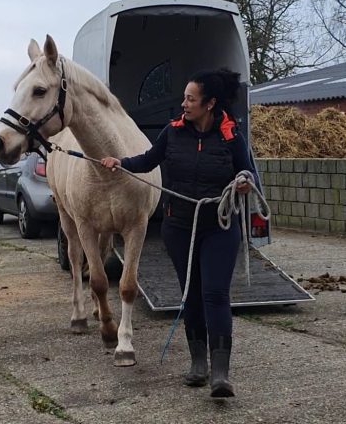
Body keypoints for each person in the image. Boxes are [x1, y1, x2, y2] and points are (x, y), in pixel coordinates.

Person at [100, 68, 254, 398]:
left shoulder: (230, 135)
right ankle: (198, 364)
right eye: (184, 98)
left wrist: (243, 181)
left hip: (220, 226)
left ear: (209, 103)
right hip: (180, 227)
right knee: (191, 294)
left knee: (215, 294)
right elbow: (148, 160)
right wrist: (120, 163)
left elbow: (248, 170)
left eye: (190, 99)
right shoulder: (173, 132)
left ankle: (220, 373)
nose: (183, 104)